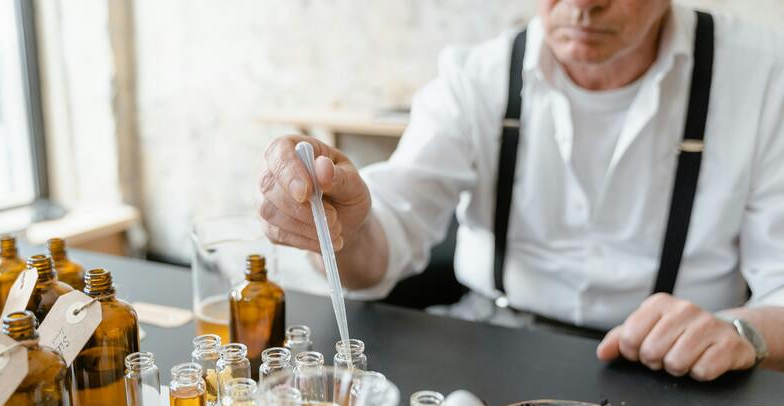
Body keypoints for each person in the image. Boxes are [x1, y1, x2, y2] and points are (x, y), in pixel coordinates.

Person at [258, 0, 784, 381]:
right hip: (493, 343)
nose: (583, 5)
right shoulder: (478, 73)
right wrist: (342, 226)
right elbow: (386, 238)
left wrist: (743, 334)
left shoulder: (761, 77)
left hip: (678, 373)